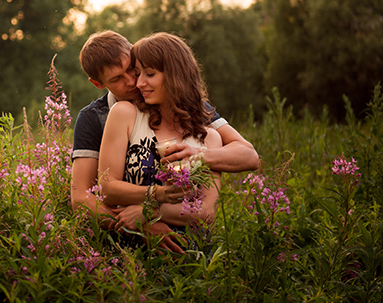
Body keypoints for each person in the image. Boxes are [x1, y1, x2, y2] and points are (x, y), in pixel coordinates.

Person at [70, 31, 259, 252]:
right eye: (117, 79)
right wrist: (142, 226)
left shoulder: (193, 111)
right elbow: (82, 198)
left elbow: (249, 155)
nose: (134, 82)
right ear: (98, 83)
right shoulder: (96, 116)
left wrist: (197, 156)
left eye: (133, 70)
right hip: (127, 245)